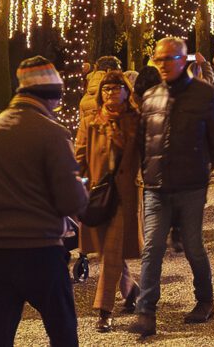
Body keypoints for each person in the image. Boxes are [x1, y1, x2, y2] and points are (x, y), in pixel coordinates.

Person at [0, 56, 89, 347]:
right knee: (61, 332)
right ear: (51, 95)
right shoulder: (53, 134)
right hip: (40, 250)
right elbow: (69, 200)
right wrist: (84, 194)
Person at [130, 37, 214, 338]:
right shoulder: (151, 97)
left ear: (183, 61)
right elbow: (143, 139)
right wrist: (146, 171)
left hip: (190, 185)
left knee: (194, 246)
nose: (162, 65)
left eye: (168, 59)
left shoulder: (205, 94)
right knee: (152, 248)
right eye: (158, 59)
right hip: (157, 185)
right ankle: (146, 310)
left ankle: (205, 299)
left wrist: (203, 165)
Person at [74, 71, 143, 333]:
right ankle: (130, 289)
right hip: (98, 194)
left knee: (112, 252)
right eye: (106, 89)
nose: (110, 93)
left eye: (116, 88)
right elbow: (79, 157)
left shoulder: (136, 121)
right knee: (106, 252)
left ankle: (104, 310)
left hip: (124, 197)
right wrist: (77, 188)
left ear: (126, 91)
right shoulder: (91, 121)